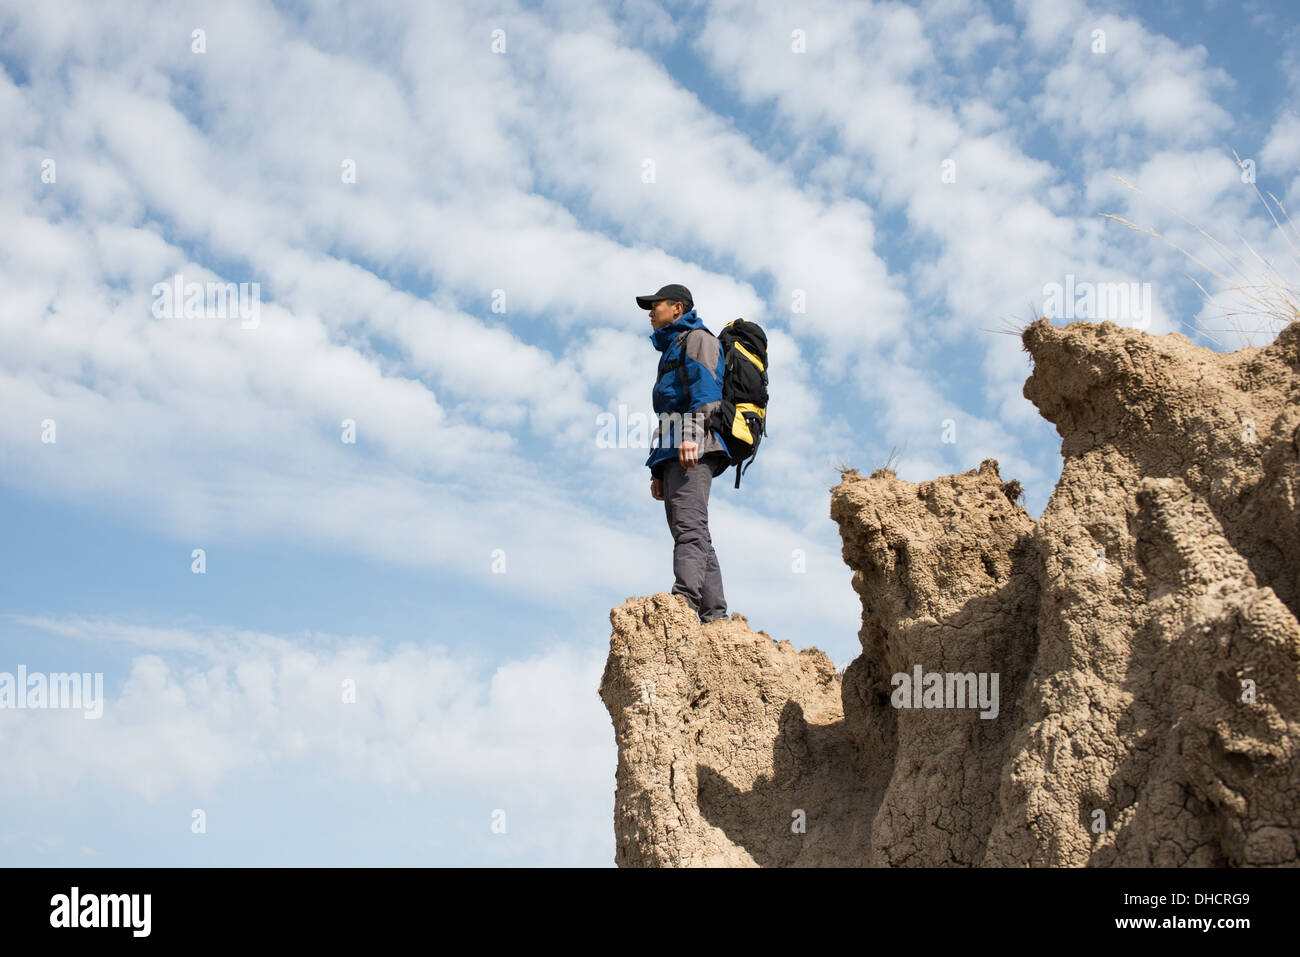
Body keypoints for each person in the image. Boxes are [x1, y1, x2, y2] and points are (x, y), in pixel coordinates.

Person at [637, 283, 730, 624]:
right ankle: (715, 616)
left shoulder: (698, 339)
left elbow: (706, 395)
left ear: (677, 308)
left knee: (690, 528)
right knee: (690, 531)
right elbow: (666, 416)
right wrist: (656, 471)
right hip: (674, 452)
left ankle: (684, 603)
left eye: (655, 305)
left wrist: (691, 437)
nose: (650, 312)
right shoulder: (672, 348)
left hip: (695, 447)